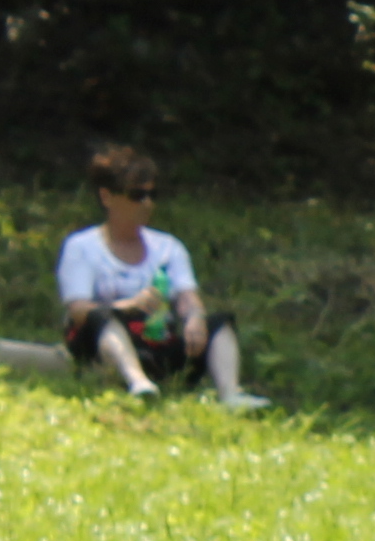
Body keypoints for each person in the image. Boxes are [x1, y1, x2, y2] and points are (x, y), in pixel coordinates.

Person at [54, 145, 262, 407]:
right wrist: (127, 307)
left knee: (220, 323)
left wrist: (195, 318)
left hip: (156, 343)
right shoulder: (82, 246)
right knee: (101, 317)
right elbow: (77, 310)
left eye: (152, 195)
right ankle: (137, 382)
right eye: (137, 195)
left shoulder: (168, 247)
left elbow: (187, 295)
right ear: (107, 197)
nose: (147, 204)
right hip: (101, 346)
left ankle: (231, 393)